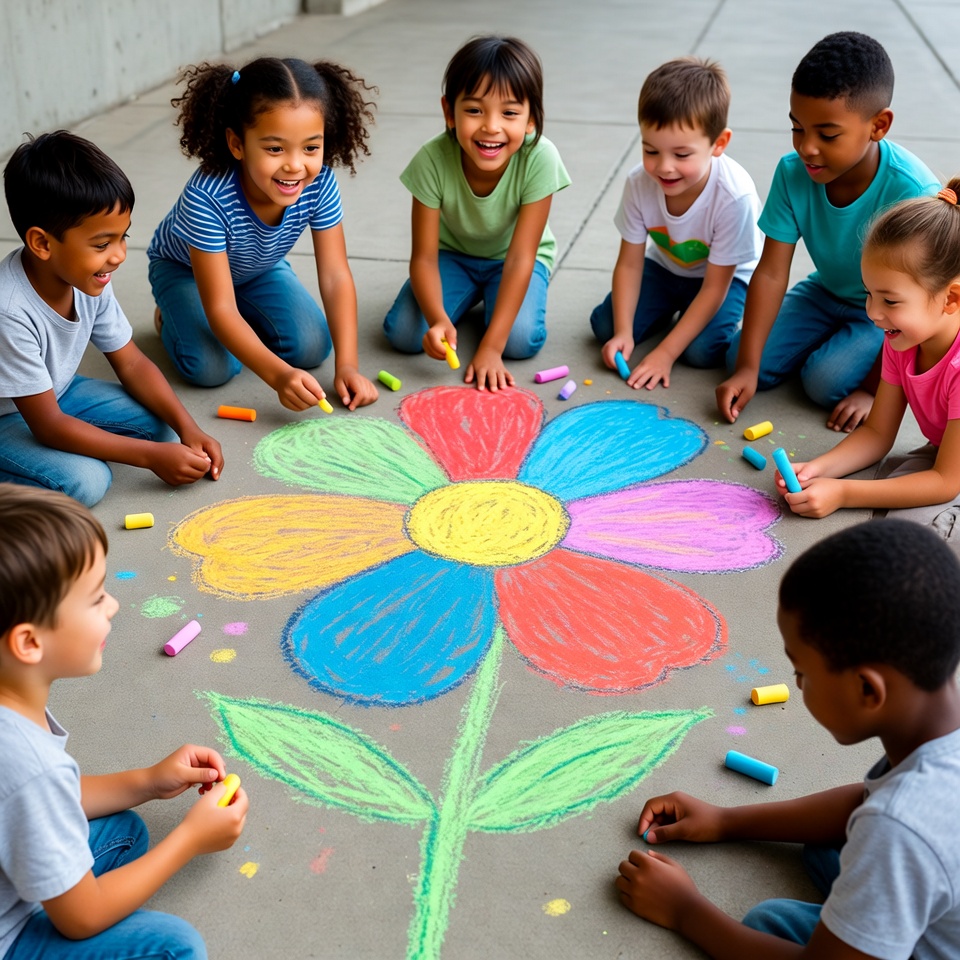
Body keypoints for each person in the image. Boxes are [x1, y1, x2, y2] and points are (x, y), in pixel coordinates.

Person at [616, 518, 960, 959]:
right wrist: (725, 821)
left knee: (770, 922)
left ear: (868, 690)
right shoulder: (933, 731)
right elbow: (864, 802)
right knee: (833, 841)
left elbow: (885, 818)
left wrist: (686, 910)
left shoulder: (900, 825)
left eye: (802, 672)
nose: (796, 685)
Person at [0, 484, 248, 959]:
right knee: (173, 948)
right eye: (95, 599)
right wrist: (189, 840)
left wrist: (149, 781)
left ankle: (47, 884)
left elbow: (38, 799)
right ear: (29, 643)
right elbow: (82, 919)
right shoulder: (27, 763)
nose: (113, 605)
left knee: (124, 832)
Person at [716, 31, 939, 433]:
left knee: (824, 383)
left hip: (886, 310)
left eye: (828, 134)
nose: (807, 148)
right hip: (825, 291)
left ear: (879, 126)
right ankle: (813, 345)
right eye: (797, 128)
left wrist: (873, 390)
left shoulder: (912, 192)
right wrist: (749, 368)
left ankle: (842, 354)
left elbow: (921, 310)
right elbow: (770, 272)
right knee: (738, 357)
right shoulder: (792, 172)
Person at [0, 132, 223, 508]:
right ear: (42, 244)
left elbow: (132, 362)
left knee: (160, 425)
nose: (118, 255)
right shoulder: (9, 311)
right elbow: (49, 425)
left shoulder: (86, 278)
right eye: (102, 244)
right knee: (87, 481)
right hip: (10, 415)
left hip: (58, 392)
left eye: (123, 237)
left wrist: (189, 427)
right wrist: (148, 458)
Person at [148, 56, 379, 412]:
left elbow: (335, 275)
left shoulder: (320, 183)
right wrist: (278, 376)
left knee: (313, 346)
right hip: (185, 271)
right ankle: (170, 315)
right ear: (237, 144)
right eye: (275, 148)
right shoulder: (207, 196)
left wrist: (348, 365)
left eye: (311, 147)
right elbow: (221, 307)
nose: (295, 165)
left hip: (258, 267)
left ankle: (244, 313)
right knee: (213, 367)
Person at [382, 35, 571, 391]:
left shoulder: (540, 158)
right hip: (451, 257)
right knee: (405, 335)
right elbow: (423, 257)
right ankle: (468, 300)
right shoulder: (432, 160)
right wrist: (437, 319)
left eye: (510, 113)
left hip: (511, 260)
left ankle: (490, 306)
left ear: (532, 119)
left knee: (519, 342)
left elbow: (520, 258)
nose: (491, 126)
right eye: (474, 110)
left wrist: (490, 347)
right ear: (448, 112)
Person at [776, 183, 960, 534]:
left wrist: (843, 492)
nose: (873, 313)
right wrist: (818, 469)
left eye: (890, 301)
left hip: (949, 469)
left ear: (951, 299)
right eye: (868, 294)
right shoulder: (902, 340)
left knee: (916, 538)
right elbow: (877, 432)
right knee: (894, 495)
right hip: (947, 456)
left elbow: (946, 481)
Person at [590, 56, 761, 391]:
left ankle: (729, 318)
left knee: (701, 352)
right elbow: (629, 263)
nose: (664, 167)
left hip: (726, 279)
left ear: (719, 144)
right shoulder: (639, 183)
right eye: (650, 150)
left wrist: (665, 352)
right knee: (604, 325)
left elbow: (714, 288)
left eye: (681, 155)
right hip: (668, 267)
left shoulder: (734, 196)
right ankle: (671, 310)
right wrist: (624, 331)